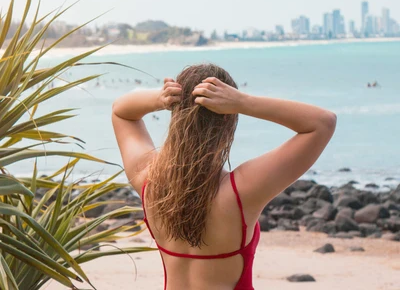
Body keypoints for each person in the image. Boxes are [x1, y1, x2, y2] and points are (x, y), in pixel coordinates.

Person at [112, 63, 337, 290]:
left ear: (174, 114)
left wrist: (160, 98)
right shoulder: (242, 191)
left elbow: (121, 112)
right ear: (229, 119)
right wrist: (244, 102)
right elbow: (322, 123)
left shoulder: (148, 180)